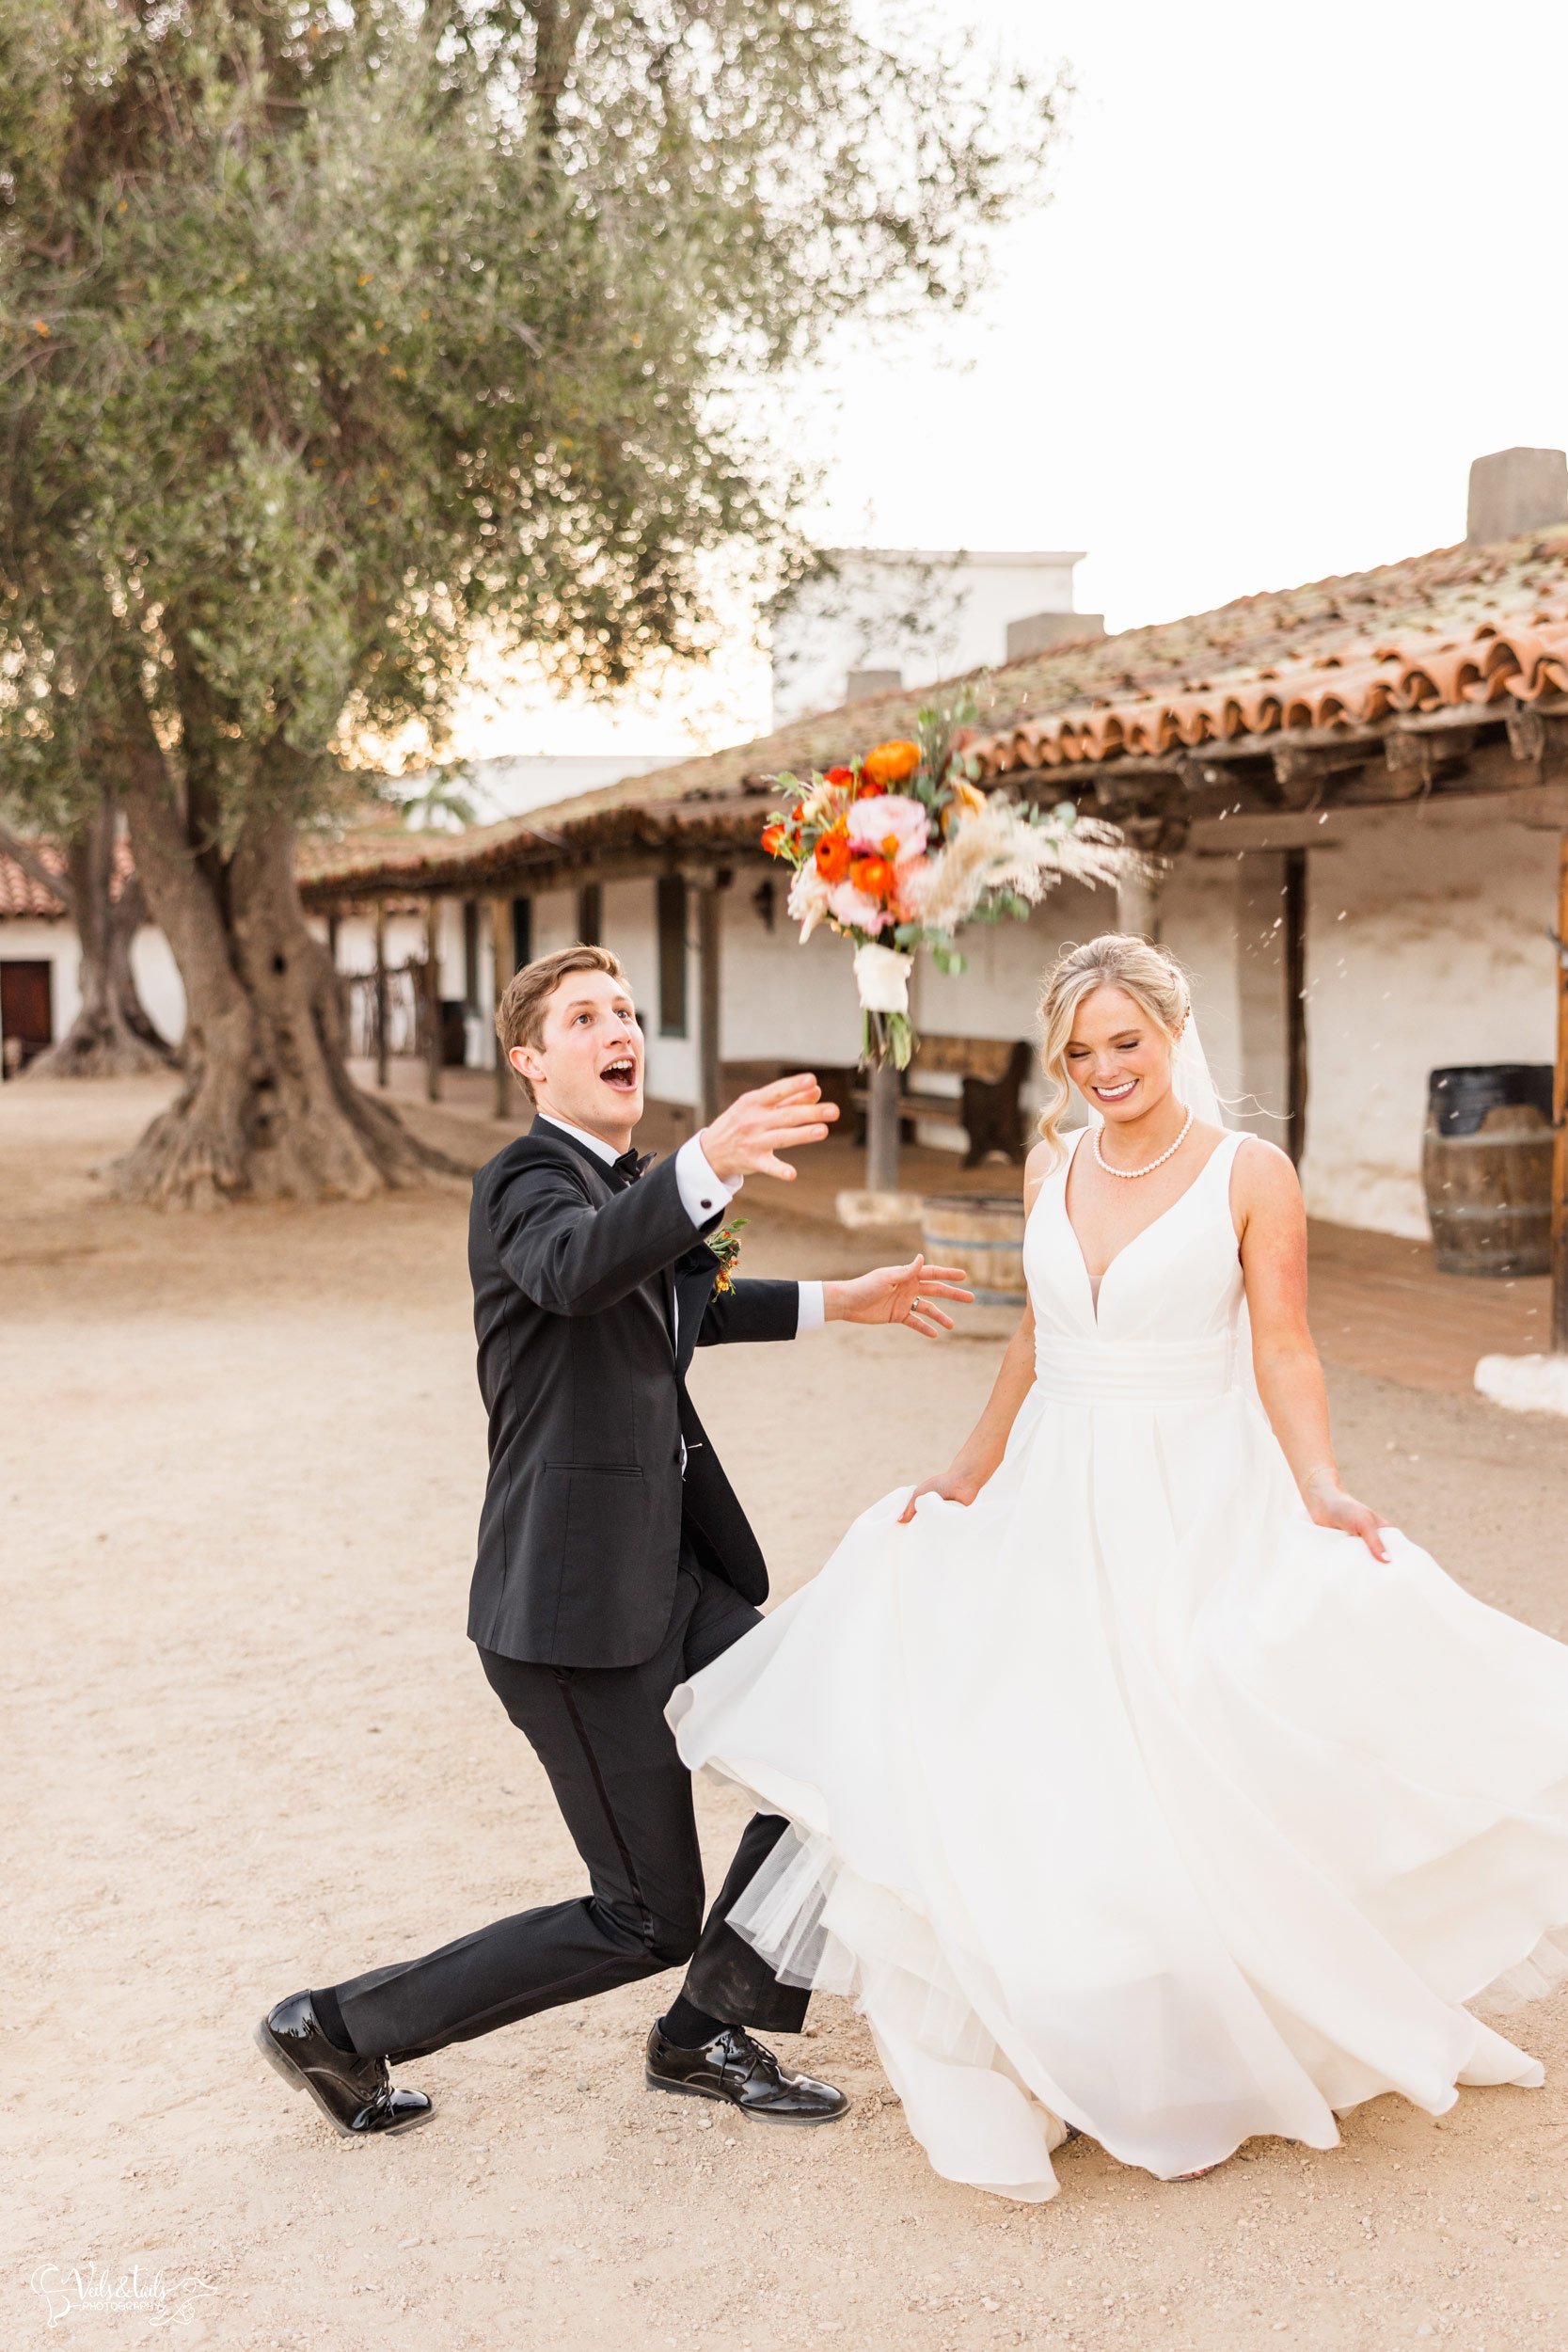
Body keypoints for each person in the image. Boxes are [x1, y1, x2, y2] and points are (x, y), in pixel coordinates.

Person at [672, 932, 1568, 2202]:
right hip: (1053, 1484)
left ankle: (1215, 2045)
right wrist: (969, 1468)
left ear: (1169, 1032)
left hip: (1196, 1487)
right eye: (1080, 1050)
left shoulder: (1247, 1174)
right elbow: (1037, 1333)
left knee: (1198, 1741)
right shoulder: (1059, 1161)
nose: (1102, 1068)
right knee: (1048, 1762)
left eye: (1123, 1043)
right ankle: (1061, 2048)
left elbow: (1286, 1349)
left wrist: (1315, 1485)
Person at [256, 943, 972, 2138]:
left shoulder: (625, 1187)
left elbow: (686, 1298)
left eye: (627, 1011)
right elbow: (581, 1271)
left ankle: (704, 2030)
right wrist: (702, 1165)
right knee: (644, 1913)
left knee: (836, 1751)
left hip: (673, 1578)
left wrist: (852, 1296)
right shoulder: (525, 1186)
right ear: (531, 1059)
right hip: (575, 1617)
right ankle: (337, 2028)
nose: (615, 1028)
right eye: (583, 1015)